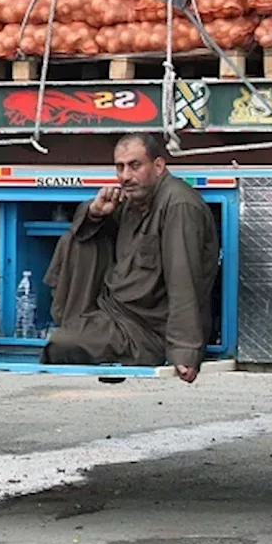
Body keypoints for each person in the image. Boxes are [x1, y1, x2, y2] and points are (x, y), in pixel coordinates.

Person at [41, 132, 220, 383]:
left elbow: (184, 281)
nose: (125, 176)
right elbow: (84, 233)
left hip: (147, 332)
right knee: (78, 238)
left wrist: (185, 351)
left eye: (135, 166)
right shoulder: (133, 199)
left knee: (61, 345)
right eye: (120, 167)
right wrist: (95, 213)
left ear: (158, 166)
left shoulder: (178, 205)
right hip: (115, 313)